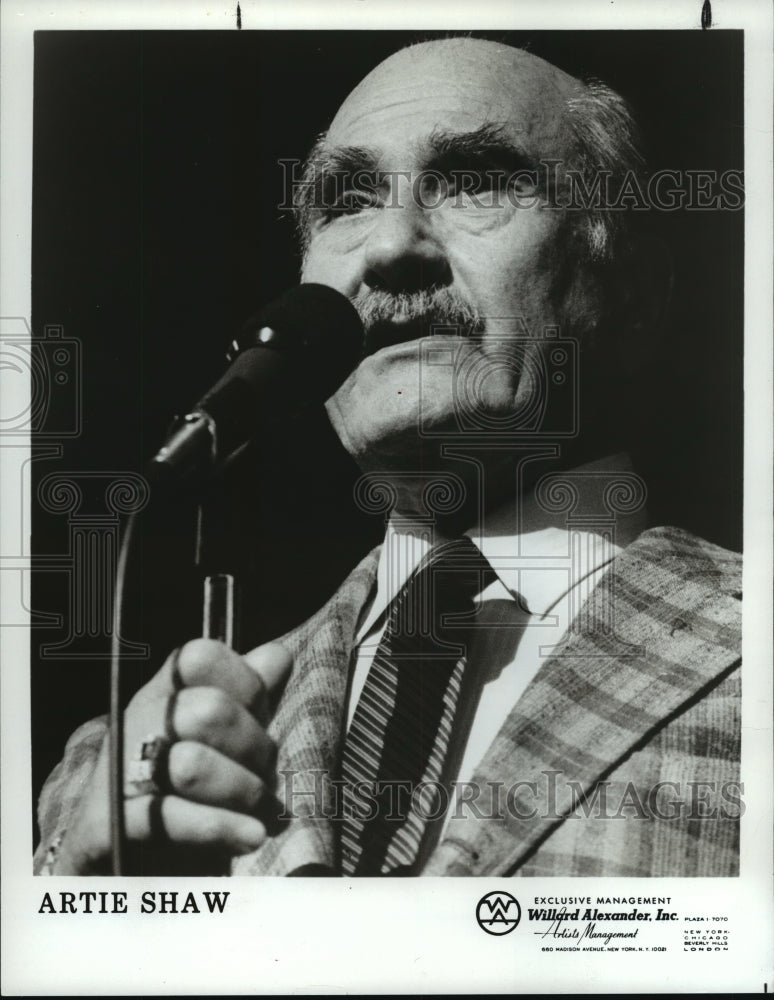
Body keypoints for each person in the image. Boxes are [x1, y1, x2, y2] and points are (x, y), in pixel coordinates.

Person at [34, 37, 742, 877]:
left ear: (628, 291)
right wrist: (81, 898)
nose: (391, 247)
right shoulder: (118, 769)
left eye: (478, 181)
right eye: (348, 200)